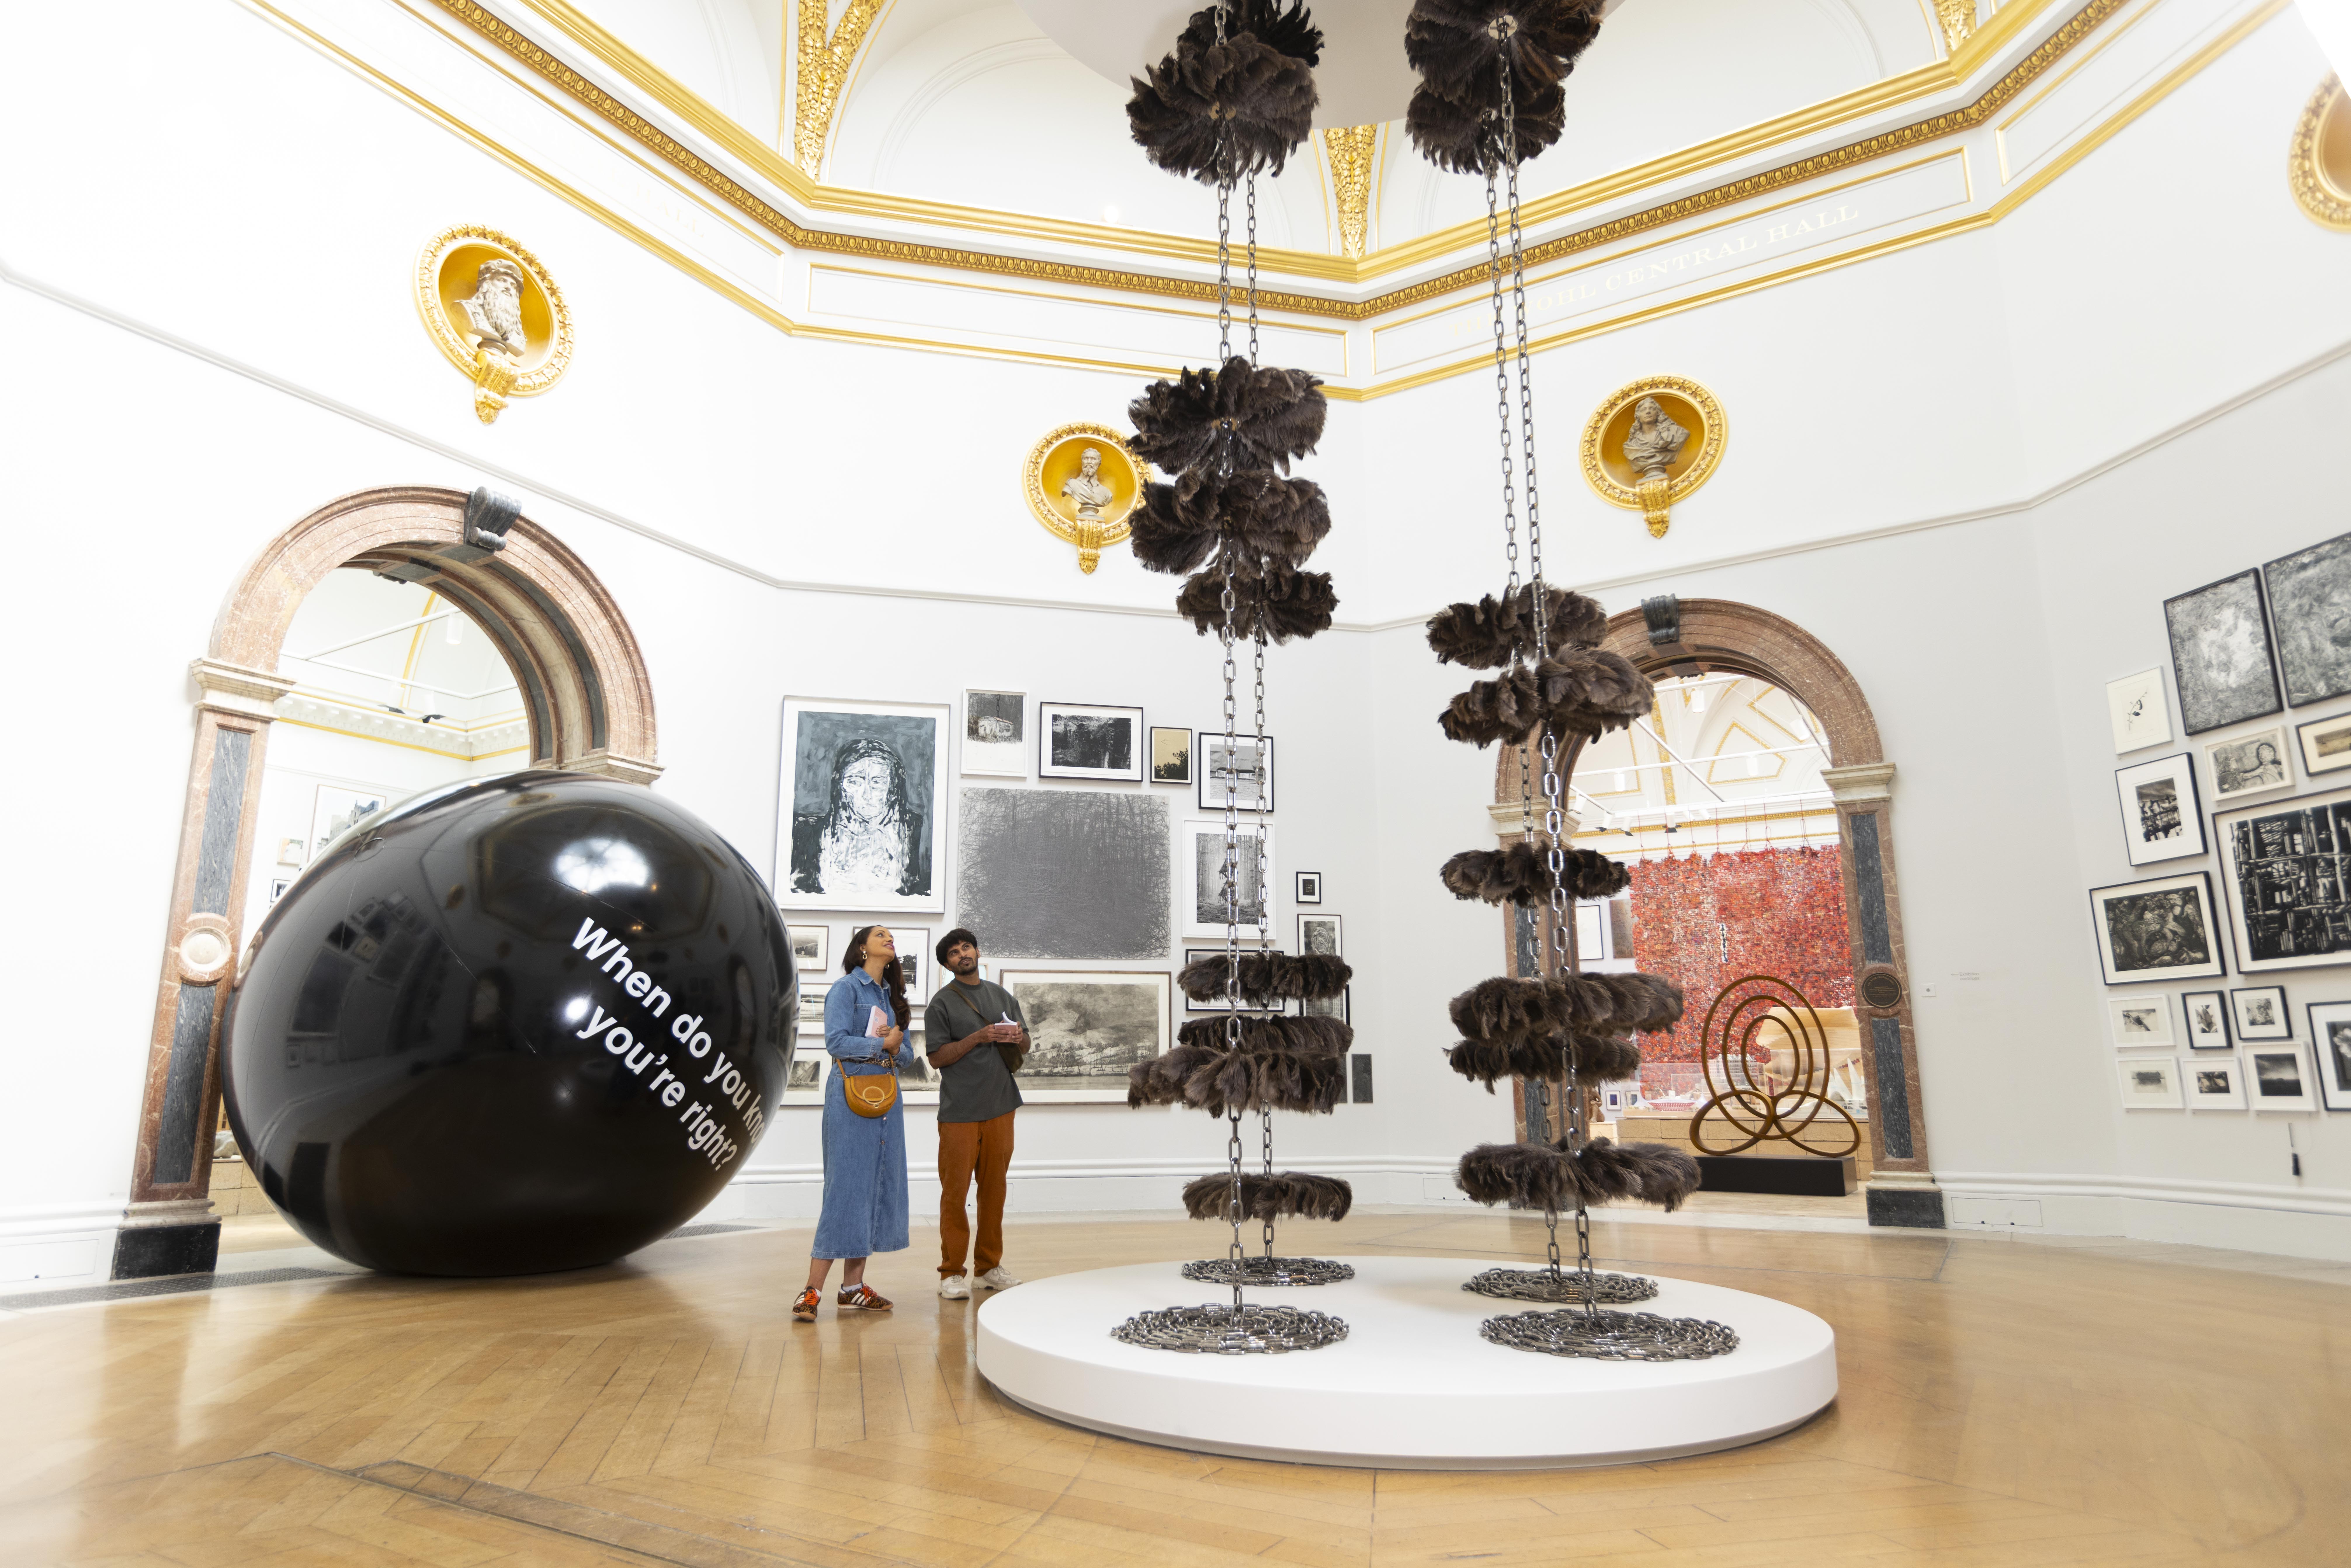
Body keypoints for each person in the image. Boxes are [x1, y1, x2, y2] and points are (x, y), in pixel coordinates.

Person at [796, 925, 911, 1322]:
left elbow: (907, 1055)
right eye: (880, 935)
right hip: (849, 1097)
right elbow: (836, 1042)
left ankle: (852, 1288)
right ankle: (811, 1291)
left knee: (874, 1186)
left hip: (886, 1098)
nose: (889, 939)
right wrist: (882, 1043)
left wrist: (896, 1043)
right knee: (844, 1190)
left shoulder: (890, 997)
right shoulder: (846, 989)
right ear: (862, 947)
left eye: (891, 936)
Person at [922, 928, 1029, 1300]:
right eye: (954, 952)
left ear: (978, 951)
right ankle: (951, 1272)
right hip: (960, 1112)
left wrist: (1017, 1037)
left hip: (1001, 1106)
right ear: (948, 964)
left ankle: (988, 1268)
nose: (962, 954)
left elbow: (1026, 1043)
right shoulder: (941, 1004)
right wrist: (978, 1037)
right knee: (955, 1195)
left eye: (966, 947)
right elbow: (937, 1058)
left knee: (995, 1192)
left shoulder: (1001, 995)